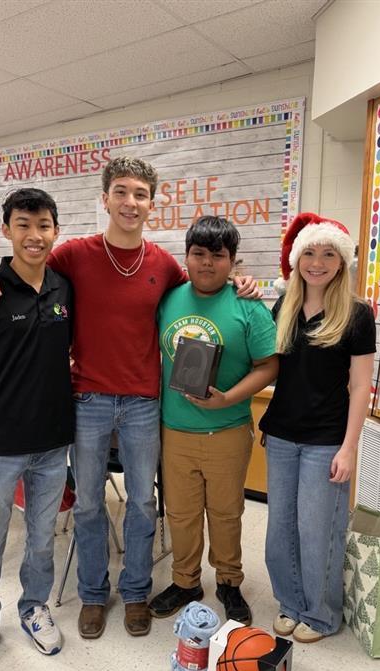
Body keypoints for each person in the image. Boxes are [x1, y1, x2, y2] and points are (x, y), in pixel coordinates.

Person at [0, 156, 260, 640]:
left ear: (151, 204)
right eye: (120, 192)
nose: (130, 202)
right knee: (87, 506)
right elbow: (23, 260)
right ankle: (94, 594)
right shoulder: (74, 255)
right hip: (87, 401)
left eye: (140, 194)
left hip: (145, 402)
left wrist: (240, 281)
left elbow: (205, 291)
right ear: (104, 199)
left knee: (143, 502)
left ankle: (137, 592)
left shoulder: (164, 265)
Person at [0, 188, 74, 671]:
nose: (34, 235)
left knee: (42, 539)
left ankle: (34, 608)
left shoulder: (65, 288)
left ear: (55, 232)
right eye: (23, 224)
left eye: (43, 225)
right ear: (6, 230)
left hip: (52, 441)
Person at [150, 216, 277, 625]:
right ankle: (186, 581)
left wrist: (227, 399)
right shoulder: (169, 299)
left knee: (226, 513)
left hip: (227, 430)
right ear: (186, 257)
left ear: (233, 261)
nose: (207, 263)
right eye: (198, 254)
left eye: (217, 256)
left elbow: (268, 365)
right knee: (181, 515)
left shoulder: (248, 305)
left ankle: (229, 581)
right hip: (175, 430)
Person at [260, 212, 375, 644]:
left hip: (326, 440)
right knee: (279, 529)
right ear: (296, 259)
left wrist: (349, 448)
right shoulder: (283, 306)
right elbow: (271, 368)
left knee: (318, 531)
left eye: (329, 254)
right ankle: (290, 603)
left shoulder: (356, 315)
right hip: (282, 436)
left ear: (342, 262)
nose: (318, 262)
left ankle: (322, 614)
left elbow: (361, 386)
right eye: (309, 252)